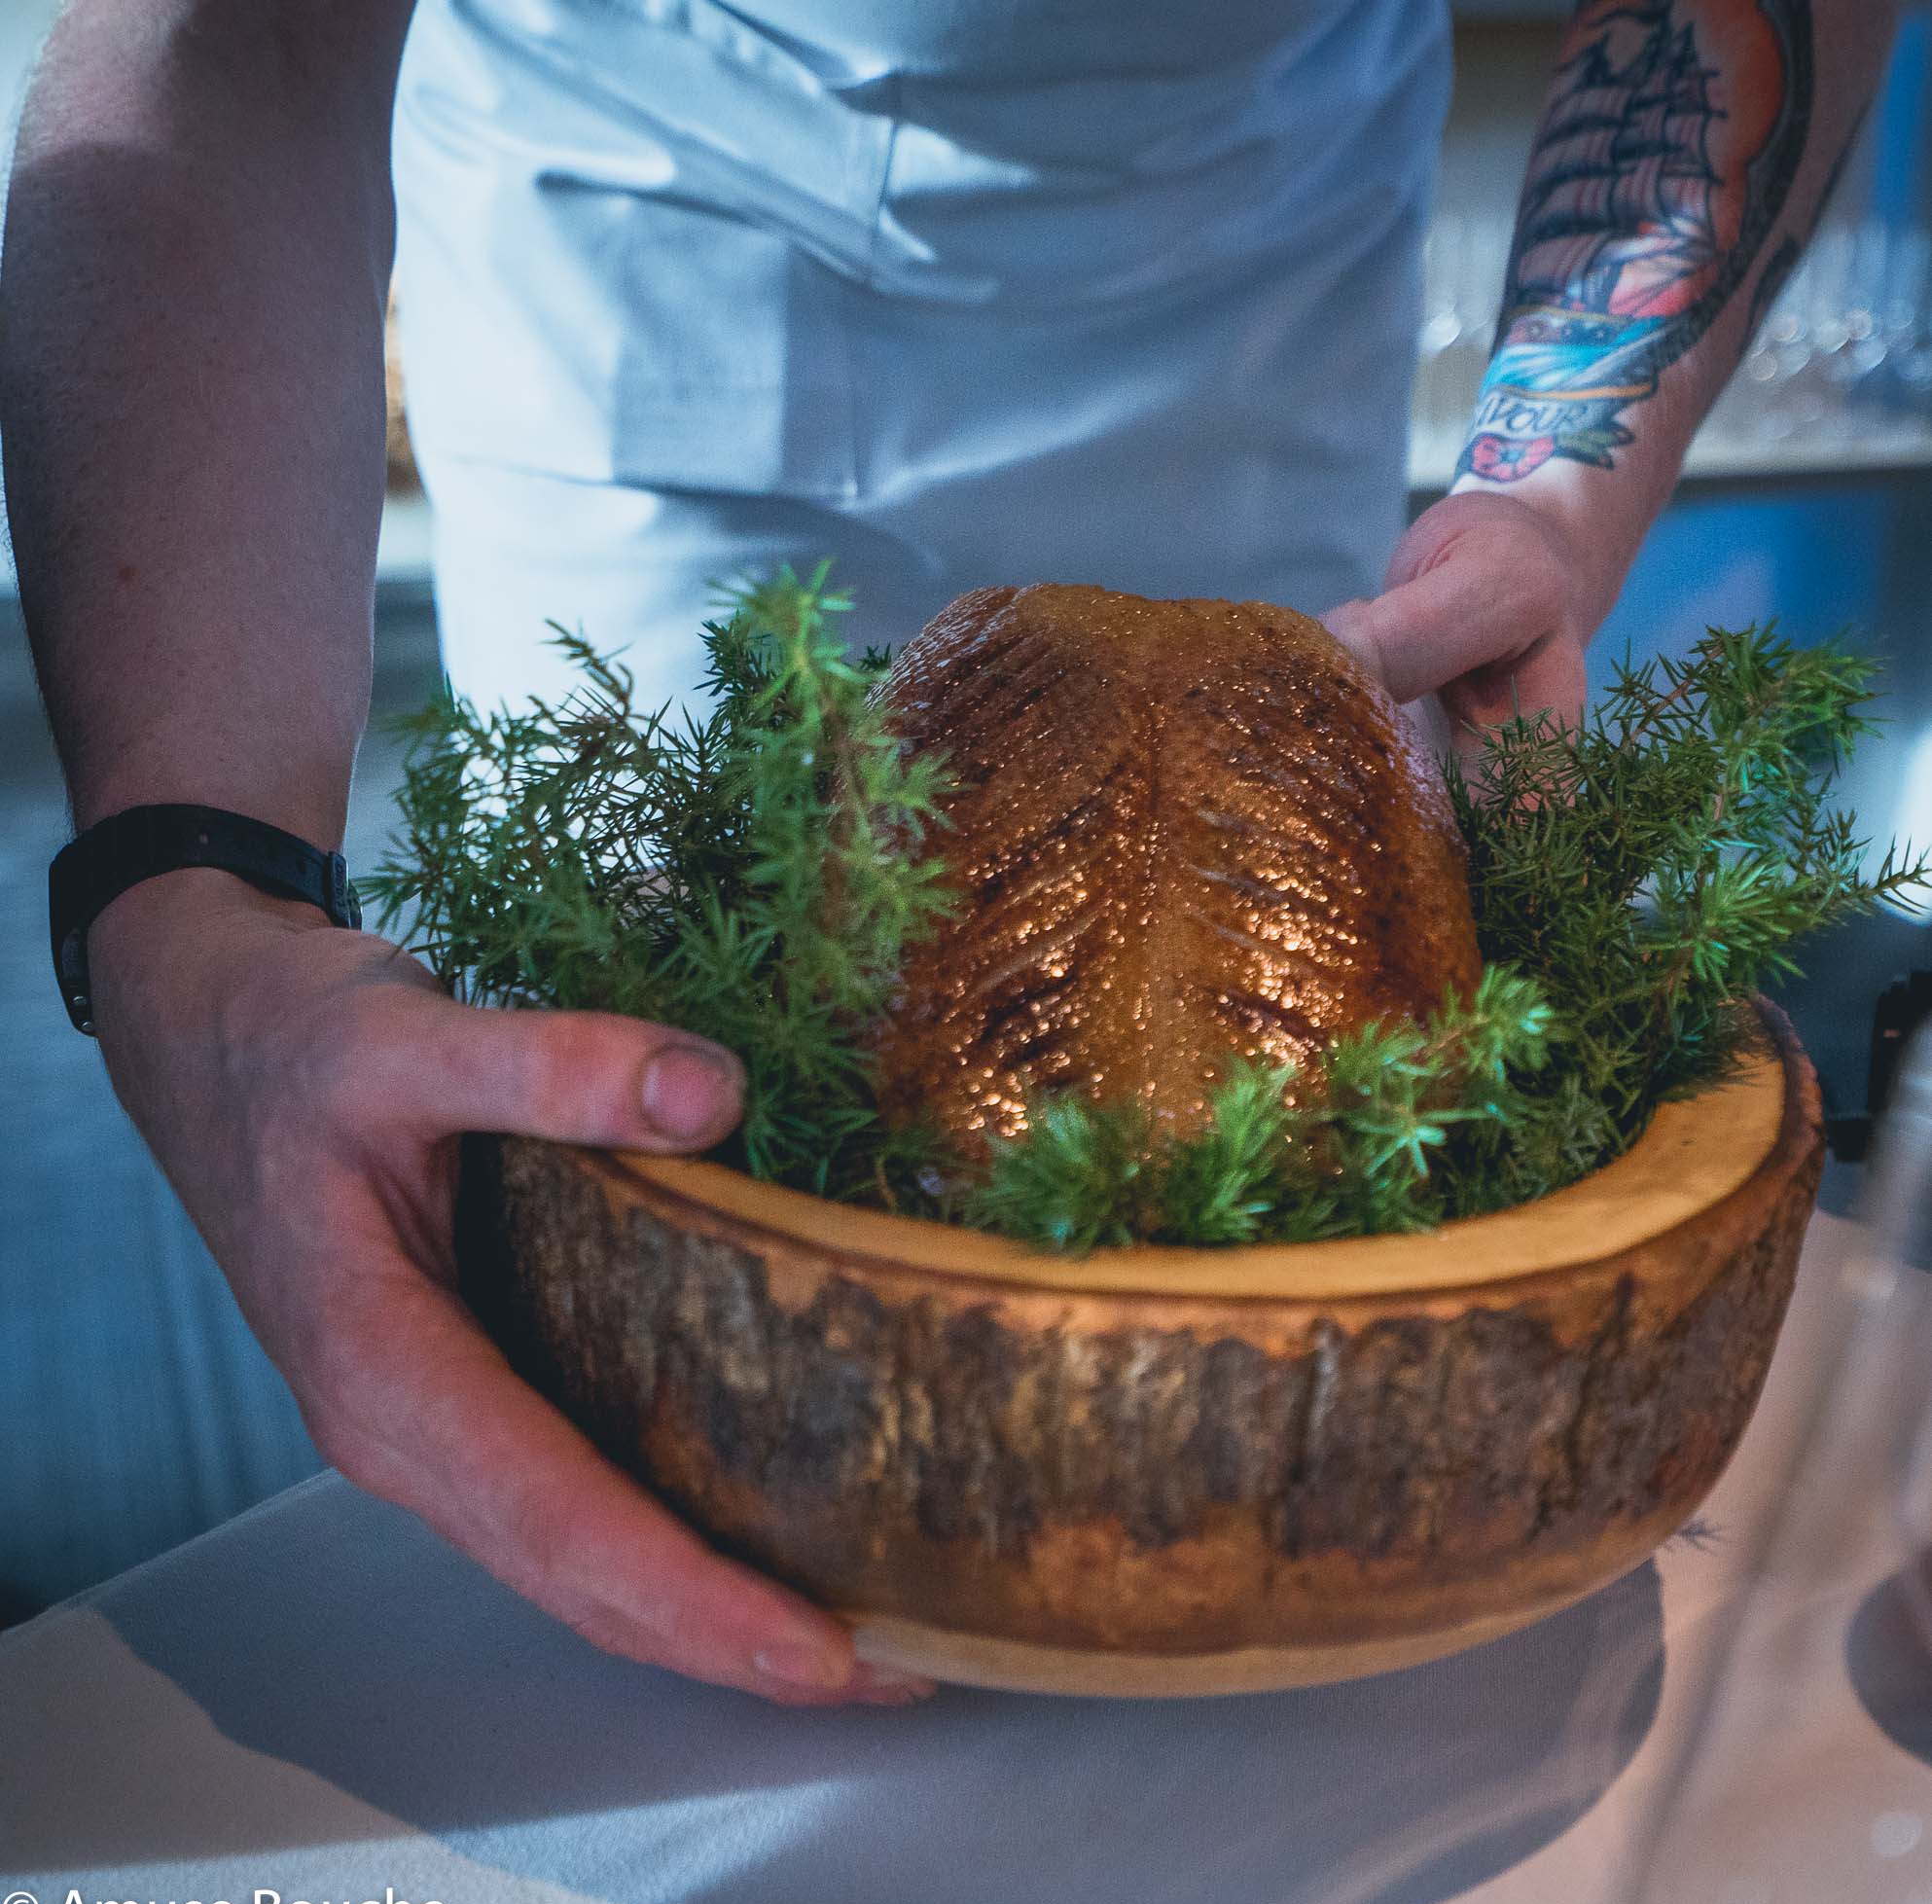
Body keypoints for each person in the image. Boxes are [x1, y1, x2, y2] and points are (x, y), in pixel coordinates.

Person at [1, 0, 1895, 1706]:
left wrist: (1546, 497)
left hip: (1265, 385)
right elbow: (232, 43)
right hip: (649, 358)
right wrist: (195, 893)